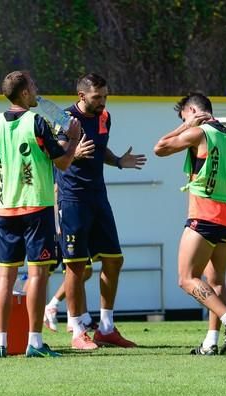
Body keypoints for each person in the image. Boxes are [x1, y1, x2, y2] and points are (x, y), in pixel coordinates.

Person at [0, 70, 93, 358]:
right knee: (37, 275)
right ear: (25, 94)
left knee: (5, 278)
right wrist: (73, 138)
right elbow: (64, 163)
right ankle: (35, 343)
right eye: (34, 86)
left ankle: (1, 344)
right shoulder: (37, 122)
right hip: (36, 207)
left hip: (5, 209)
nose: (38, 89)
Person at [154, 92, 226, 355]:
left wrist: (186, 125)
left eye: (183, 115)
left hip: (205, 214)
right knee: (216, 280)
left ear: (192, 111)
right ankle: (210, 342)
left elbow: (160, 148)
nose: (184, 120)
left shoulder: (200, 133)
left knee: (186, 279)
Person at [56, 73, 146, 350]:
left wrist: (118, 160)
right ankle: (77, 331)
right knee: (76, 267)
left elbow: (100, 149)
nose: (103, 102)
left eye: (105, 96)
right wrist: (74, 154)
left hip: (98, 197)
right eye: (98, 97)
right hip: (72, 199)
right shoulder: (64, 119)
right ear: (81, 96)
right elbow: (57, 156)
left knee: (114, 260)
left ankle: (106, 328)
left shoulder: (104, 116)